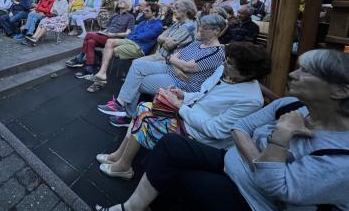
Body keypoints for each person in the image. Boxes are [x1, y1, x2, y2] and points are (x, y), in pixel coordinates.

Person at [96, 49, 349, 211]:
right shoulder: (289, 104)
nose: (293, 74)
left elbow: (276, 186)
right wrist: (183, 96)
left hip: (250, 193)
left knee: (156, 132)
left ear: (340, 90)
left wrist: (279, 139)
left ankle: (127, 174)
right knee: (146, 110)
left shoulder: (340, 158)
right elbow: (239, 128)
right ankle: (123, 169)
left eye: (306, 71)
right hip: (228, 156)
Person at [96, 42, 269, 180]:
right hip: (188, 115)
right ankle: (119, 156)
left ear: (248, 72)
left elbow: (215, 130)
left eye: (230, 63)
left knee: (147, 115)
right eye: (226, 59)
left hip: (199, 134)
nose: (224, 64)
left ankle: (124, 166)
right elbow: (202, 94)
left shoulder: (251, 100)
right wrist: (182, 95)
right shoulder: (224, 72)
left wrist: (179, 106)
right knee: (144, 108)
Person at [97, 14, 226, 126]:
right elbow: (175, 56)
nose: (200, 30)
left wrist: (177, 62)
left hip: (182, 83)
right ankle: (120, 103)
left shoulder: (216, 52)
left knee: (138, 82)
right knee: (137, 65)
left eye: (205, 27)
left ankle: (128, 116)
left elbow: (187, 67)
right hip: (171, 69)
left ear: (216, 31)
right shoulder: (198, 43)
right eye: (200, 26)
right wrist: (176, 63)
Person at [83, 3, 163, 93]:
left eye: (147, 11)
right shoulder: (143, 22)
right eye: (144, 10)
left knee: (108, 50)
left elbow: (144, 36)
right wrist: (133, 36)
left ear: (154, 13)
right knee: (109, 42)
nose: (144, 12)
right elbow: (132, 34)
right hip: (131, 42)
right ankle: (102, 74)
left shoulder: (158, 25)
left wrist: (133, 36)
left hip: (139, 47)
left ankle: (100, 78)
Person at [66, 0, 135, 78]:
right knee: (90, 41)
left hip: (114, 39)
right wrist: (103, 32)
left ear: (128, 5)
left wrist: (114, 34)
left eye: (123, 2)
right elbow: (108, 28)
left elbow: (128, 33)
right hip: (105, 36)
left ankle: (80, 58)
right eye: (121, 0)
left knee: (89, 35)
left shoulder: (130, 17)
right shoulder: (114, 15)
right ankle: (89, 68)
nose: (120, 2)